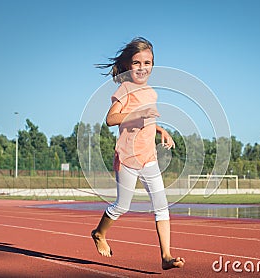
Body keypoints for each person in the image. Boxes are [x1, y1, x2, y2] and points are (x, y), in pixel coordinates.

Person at [91, 37, 185, 270]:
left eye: (148, 62)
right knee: (122, 206)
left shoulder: (151, 92)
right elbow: (111, 119)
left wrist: (162, 131)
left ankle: (166, 257)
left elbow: (146, 121)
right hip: (128, 158)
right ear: (127, 65)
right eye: (137, 63)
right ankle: (99, 233)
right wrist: (136, 116)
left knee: (162, 207)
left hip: (149, 157)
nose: (143, 67)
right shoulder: (124, 89)